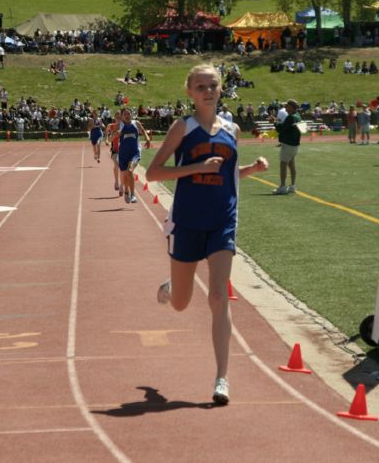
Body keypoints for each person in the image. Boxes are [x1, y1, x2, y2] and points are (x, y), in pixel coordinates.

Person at [145, 63, 269, 405]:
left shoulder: (232, 128)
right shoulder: (182, 128)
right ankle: (173, 286)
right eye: (201, 86)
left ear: (221, 88)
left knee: (218, 297)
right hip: (187, 222)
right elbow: (154, 173)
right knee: (182, 305)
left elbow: (228, 176)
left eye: (213, 85)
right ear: (190, 92)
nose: (208, 91)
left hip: (222, 222)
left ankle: (221, 378)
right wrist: (196, 167)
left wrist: (253, 170)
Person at [117, 107, 150, 203]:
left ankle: (133, 195)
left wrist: (147, 138)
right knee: (126, 174)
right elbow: (110, 138)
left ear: (131, 114)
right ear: (122, 116)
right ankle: (126, 192)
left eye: (129, 114)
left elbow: (143, 130)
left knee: (130, 170)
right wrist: (114, 135)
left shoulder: (136, 123)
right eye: (125, 114)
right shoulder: (120, 125)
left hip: (135, 152)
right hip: (123, 153)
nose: (127, 116)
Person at [269, 99, 302, 194]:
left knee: (283, 164)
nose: (285, 108)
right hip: (294, 145)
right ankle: (292, 185)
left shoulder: (290, 117)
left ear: (291, 107)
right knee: (291, 165)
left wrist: (274, 122)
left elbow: (281, 129)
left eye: (287, 106)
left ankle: (282, 186)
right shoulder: (298, 116)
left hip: (288, 144)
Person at [105, 110, 122, 195]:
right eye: (117, 117)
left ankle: (122, 185)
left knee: (124, 169)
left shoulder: (125, 126)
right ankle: (116, 182)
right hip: (115, 150)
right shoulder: (111, 126)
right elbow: (106, 134)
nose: (118, 119)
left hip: (125, 150)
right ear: (114, 118)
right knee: (116, 164)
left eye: (120, 117)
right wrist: (106, 140)